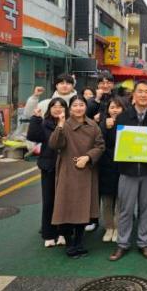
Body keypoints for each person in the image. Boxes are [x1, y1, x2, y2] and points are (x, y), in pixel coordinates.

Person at [109, 80, 147, 262]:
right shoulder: (123, 117)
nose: (143, 95)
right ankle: (122, 244)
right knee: (125, 210)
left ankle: (144, 243)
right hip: (127, 171)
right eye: (140, 91)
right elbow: (113, 144)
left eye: (146, 92)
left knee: (146, 209)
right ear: (133, 95)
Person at [49, 95, 104, 258]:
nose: (78, 108)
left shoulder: (93, 125)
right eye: (75, 105)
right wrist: (59, 125)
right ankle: (69, 243)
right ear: (70, 108)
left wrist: (87, 157)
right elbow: (54, 144)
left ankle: (79, 242)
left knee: (83, 209)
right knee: (65, 208)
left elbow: (100, 146)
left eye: (81, 105)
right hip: (68, 171)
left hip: (86, 171)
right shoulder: (64, 125)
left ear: (86, 107)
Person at [27, 97, 69, 248]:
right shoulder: (44, 123)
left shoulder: (70, 124)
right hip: (48, 167)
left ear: (66, 109)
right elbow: (33, 136)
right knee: (49, 201)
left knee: (65, 201)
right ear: (49, 109)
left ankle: (63, 232)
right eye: (54, 106)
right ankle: (49, 234)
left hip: (66, 168)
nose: (57, 109)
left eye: (61, 106)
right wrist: (35, 118)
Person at [98, 96, 127, 242]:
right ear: (108, 110)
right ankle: (109, 227)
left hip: (123, 167)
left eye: (118, 107)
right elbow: (98, 143)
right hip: (106, 166)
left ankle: (118, 227)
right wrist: (105, 127)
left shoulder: (128, 123)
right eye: (112, 107)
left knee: (121, 200)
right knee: (107, 200)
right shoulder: (102, 124)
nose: (115, 110)